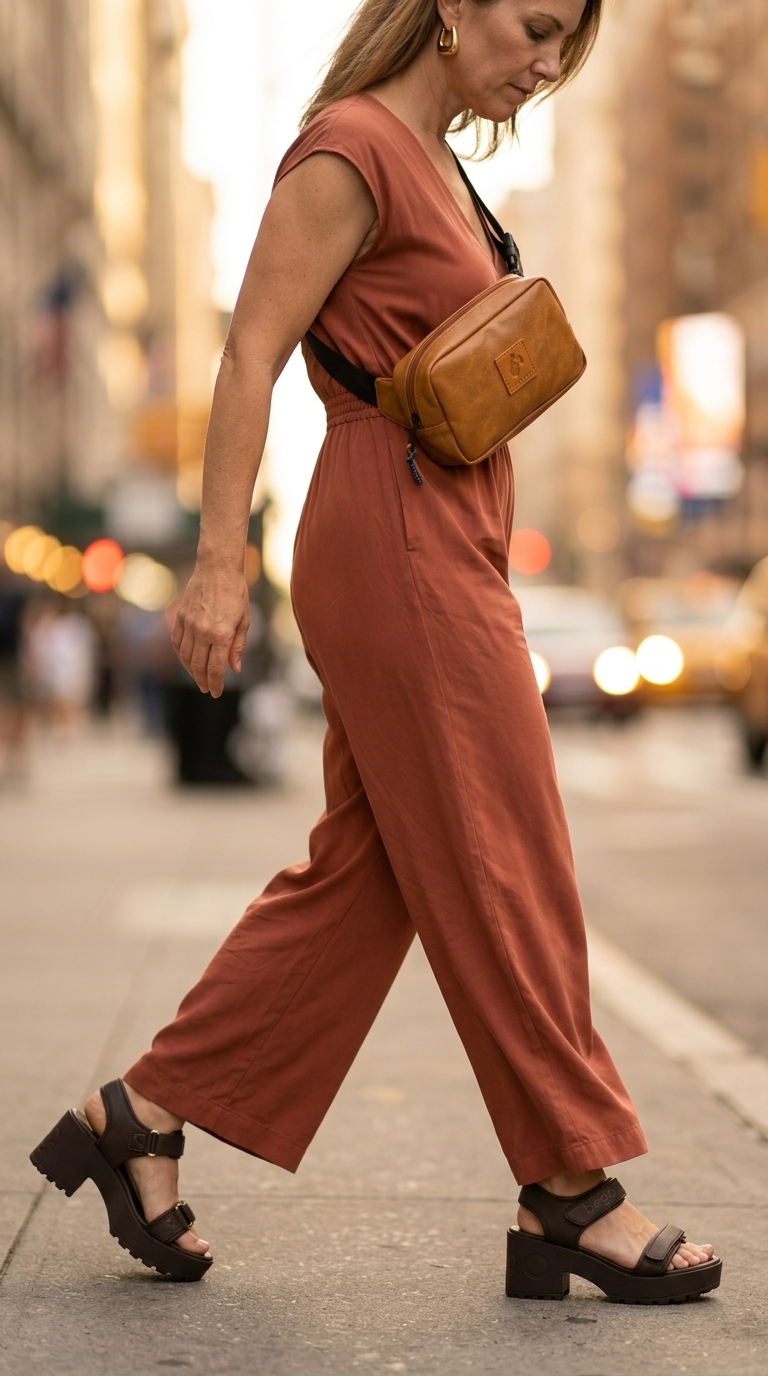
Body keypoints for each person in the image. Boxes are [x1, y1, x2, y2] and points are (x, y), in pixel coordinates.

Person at [32, 0, 720, 1301]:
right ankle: (573, 1184)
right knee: (505, 847)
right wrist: (220, 561)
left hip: (444, 522)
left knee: (374, 869)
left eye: (570, 43)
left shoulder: (438, 159)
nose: (550, 63)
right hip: (395, 526)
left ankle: (146, 1114)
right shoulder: (351, 149)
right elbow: (247, 353)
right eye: (535, 27)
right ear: (452, 8)